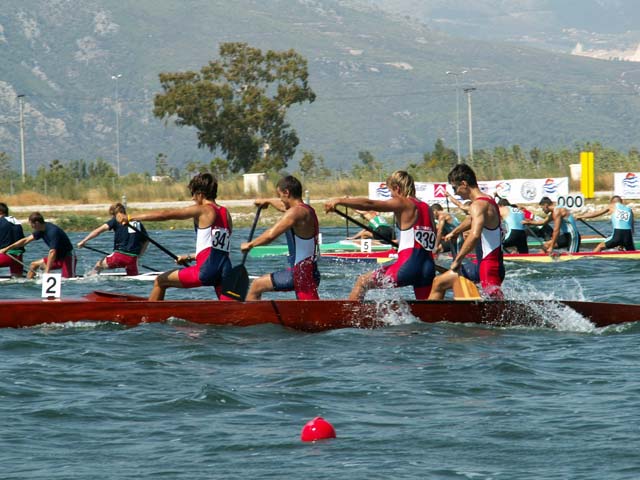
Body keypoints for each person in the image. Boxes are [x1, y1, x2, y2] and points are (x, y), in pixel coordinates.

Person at [325, 170, 436, 301]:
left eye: (390, 192)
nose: (391, 195)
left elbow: (370, 204)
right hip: (428, 268)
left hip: (408, 266)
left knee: (362, 282)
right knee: (426, 309)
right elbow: (429, 238)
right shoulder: (427, 208)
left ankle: (348, 313)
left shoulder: (403, 202)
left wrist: (340, 200)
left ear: (397, 188)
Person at [124, 173, 233, 301]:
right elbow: (216, 248)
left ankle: (149, 313)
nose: (192, 198)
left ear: (200, 194)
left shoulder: (203, 210)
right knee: (231, 308)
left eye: (193, 194)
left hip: (207, 270)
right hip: (226, 270)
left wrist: (130, 217)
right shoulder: (225, 213)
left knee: (160, 281)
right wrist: (188, 257)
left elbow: (165, 214)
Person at [428, 164, 504, 300]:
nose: (455, 192)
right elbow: (471, 219)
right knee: (438, 283)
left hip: (488, 268)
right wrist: (455, 232)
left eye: (454, 188)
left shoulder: (477, 205)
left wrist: (458, 260)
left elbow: (474, 235)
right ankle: (433, 313)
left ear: (464, 184)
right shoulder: (487, 200)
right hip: (487, 265)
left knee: (495, 307)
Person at [241, 175, 321, 301]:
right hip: (309, 271)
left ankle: (250, 314)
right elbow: (284, 207)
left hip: (300, 274)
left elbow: (271, 235)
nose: (280, 200)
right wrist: (268, 201)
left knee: (257, 285)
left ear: (286, 192)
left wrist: (250, 244)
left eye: (280, 196)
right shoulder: (306, 210)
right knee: (310, 309)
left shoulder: (295, 213)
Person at [77, 203, 149, 275]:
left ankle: (90, 277)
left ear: (114, 213)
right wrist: (139, 256)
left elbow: (98, 231)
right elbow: (146, 240)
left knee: (98, 265)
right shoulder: (137, 222)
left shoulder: (116, 220)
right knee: (133, 277)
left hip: (118, 257)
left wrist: (83, 241)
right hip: (133, 259)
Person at [0, 212, 75, 279]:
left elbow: (52, 252)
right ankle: (28, 283)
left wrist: (47, 271)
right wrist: (7, 248)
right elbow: (25, 240)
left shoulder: (52, 231)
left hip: (68, 256)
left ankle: (51, 276)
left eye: (31, 224)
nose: (31, 226)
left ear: (37, 223)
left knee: (68, 280)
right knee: (34, 265)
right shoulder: (41, 230)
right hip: (57, 257)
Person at [0, 203, 26, 277]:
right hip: (18, 258)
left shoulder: (1, 222)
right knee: (17, 279)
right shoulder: (16, 221)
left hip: (5, 256)